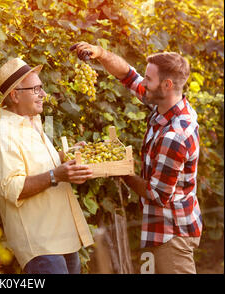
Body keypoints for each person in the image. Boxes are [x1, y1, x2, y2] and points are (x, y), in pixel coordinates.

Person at [70, 42, 202, 274]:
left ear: (167, 84)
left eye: (149, 80)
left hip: (171, 233)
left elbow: (157, 194)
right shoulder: (167, 106)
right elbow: (127, 75)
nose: (143, 84)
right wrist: (99, 53)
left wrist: (118, 169)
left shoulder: (175, 135)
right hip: (160, 226)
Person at [0, 58, 94, 274]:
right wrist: (56, 175)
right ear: (15, 95)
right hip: (40, 243)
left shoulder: (33, 124)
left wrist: (66, 157)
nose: (43, 94)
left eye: (41, 88)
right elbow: (13, 188)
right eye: (36, 89)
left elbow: (39, 165)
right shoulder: (2, 134)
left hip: (62, 236)